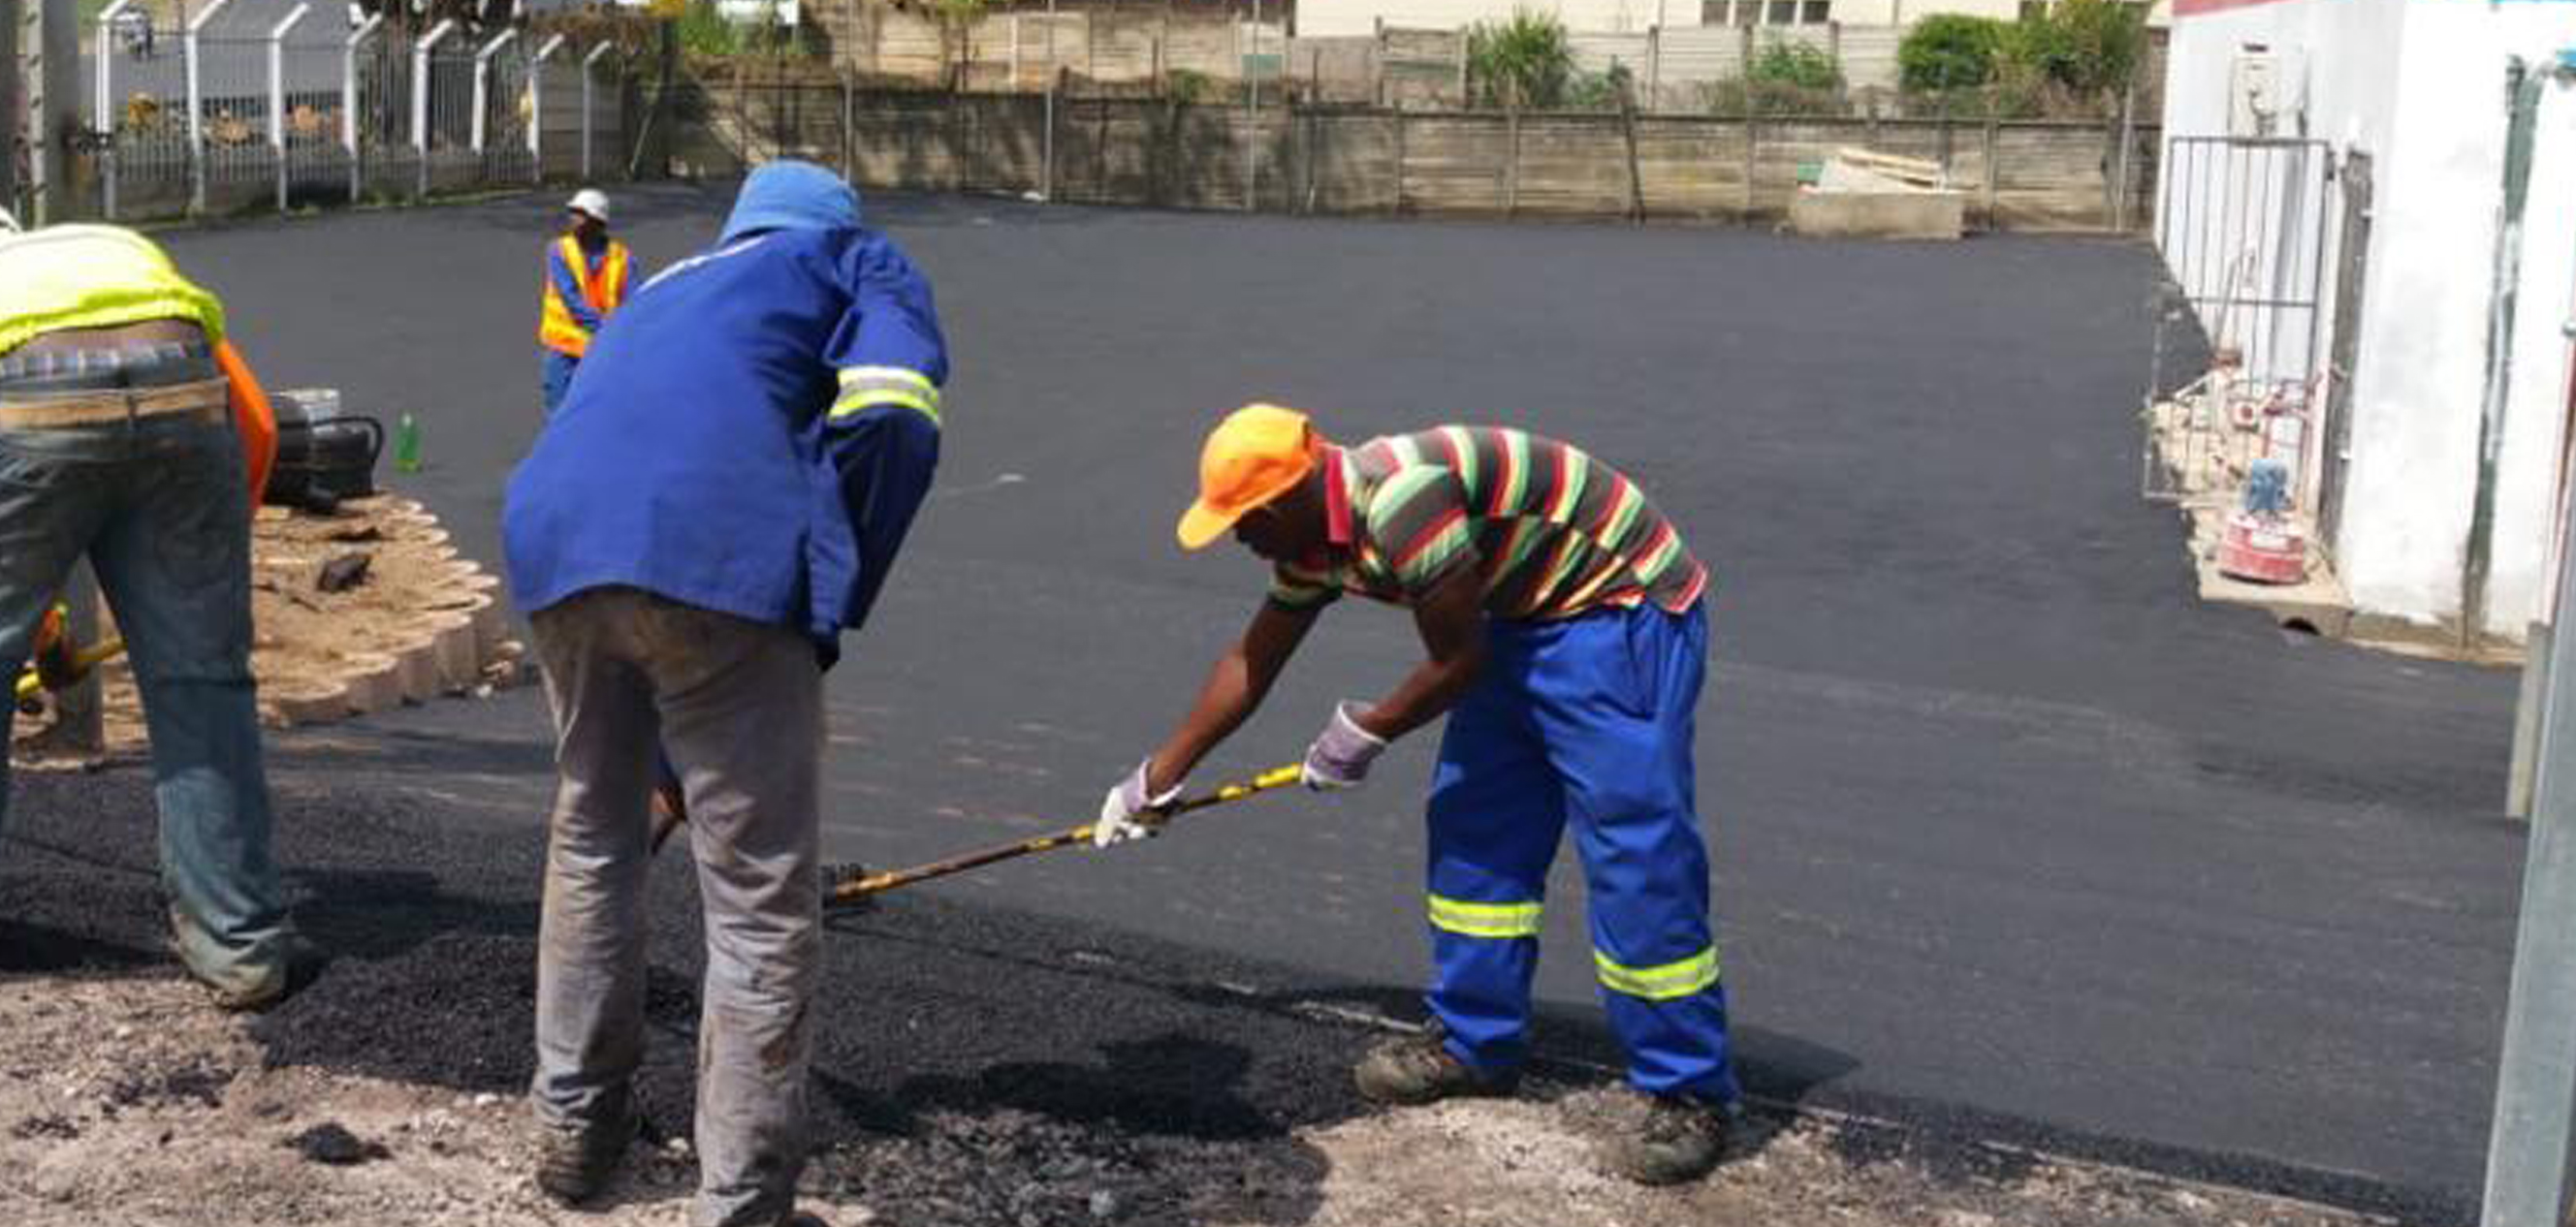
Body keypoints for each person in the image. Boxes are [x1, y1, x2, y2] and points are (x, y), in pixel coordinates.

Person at [1096, 405, 1736, 1185]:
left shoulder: (1404, 503)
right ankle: (1475, 1042)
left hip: (1616, 613)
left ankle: (1688, 1092)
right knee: (1475, 828)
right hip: (1515, 617)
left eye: (1246, 519)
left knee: (1636, 855)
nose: (1239, 538)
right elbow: (1252, 660)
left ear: (1290, 497)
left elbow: (1456, 662)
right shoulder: (1312, 543)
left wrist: (1365, 732)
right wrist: (1157, 777)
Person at [502, 161, 947, 1227]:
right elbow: (894, 414)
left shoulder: (666, 283)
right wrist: (832, 588)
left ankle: (573, 1130)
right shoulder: (850, 259)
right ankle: (742, 1198)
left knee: (594, 839)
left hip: (559, 543)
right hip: (718, 553)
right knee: (756, 898)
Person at [0, 197, 298, 1010]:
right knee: (203, 681)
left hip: (33, 401)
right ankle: (240, 946)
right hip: (182, 391)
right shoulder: (113, 253)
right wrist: (206, 569)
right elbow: (257, 428)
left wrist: (30, 638)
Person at [538, 187, 630, 415]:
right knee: (559, 413)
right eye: (573, 212)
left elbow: (633, 304)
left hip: (601, 350)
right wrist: (607, 329)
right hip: (564, 348)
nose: (573, 217)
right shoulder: (559, 250)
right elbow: (571, 300)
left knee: (598, 413)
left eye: (580, 213)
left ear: (597, 221)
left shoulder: (622, 258)